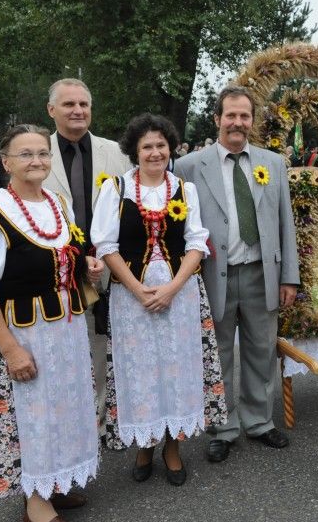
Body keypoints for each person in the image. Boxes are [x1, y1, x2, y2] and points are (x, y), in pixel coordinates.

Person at [0, 124, 104, 522]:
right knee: (33, 416)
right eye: (25, 154)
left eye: (42, 152)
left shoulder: (57, 204)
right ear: (6, 162)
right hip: (25, 334)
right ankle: (36, 508)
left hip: (67, 331)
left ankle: (56, 482)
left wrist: (83, 265)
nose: (36, 160)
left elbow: (63, 254)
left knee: (65, 410)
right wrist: (11, 350)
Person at [92, 114, 227, 485]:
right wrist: (138, 290)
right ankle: (144, 442)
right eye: (147, 146)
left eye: (161, 145)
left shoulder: (186, 189)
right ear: (135, 152)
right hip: (130, 295)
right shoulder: (116, 189)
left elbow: (197, 243)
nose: (155, 152)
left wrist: (171, 288)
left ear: (171, 148)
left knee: (177, 367)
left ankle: (172, 446)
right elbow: (105, 244)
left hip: (179, 293)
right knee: (139, 370)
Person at [174, 83, 300, 462]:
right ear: (217, 119)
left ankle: (260, 421)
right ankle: (223, 427)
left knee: (262, 351)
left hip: (263, 274)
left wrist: (289, 276)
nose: (238, 122)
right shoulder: (189, 166)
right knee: (219, 352)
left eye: (244, 116)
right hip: (215, 274)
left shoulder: (272, 164)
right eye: (231, 115)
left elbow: (285, 223)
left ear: (252, 121)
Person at [43, 78, 132, 334]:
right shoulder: (37, 154)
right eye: (69, 104)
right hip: (56, 274)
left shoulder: (118, 153)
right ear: (51, 110)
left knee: (110, 352)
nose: (78, 110)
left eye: (84, 104)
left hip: (112, 269)